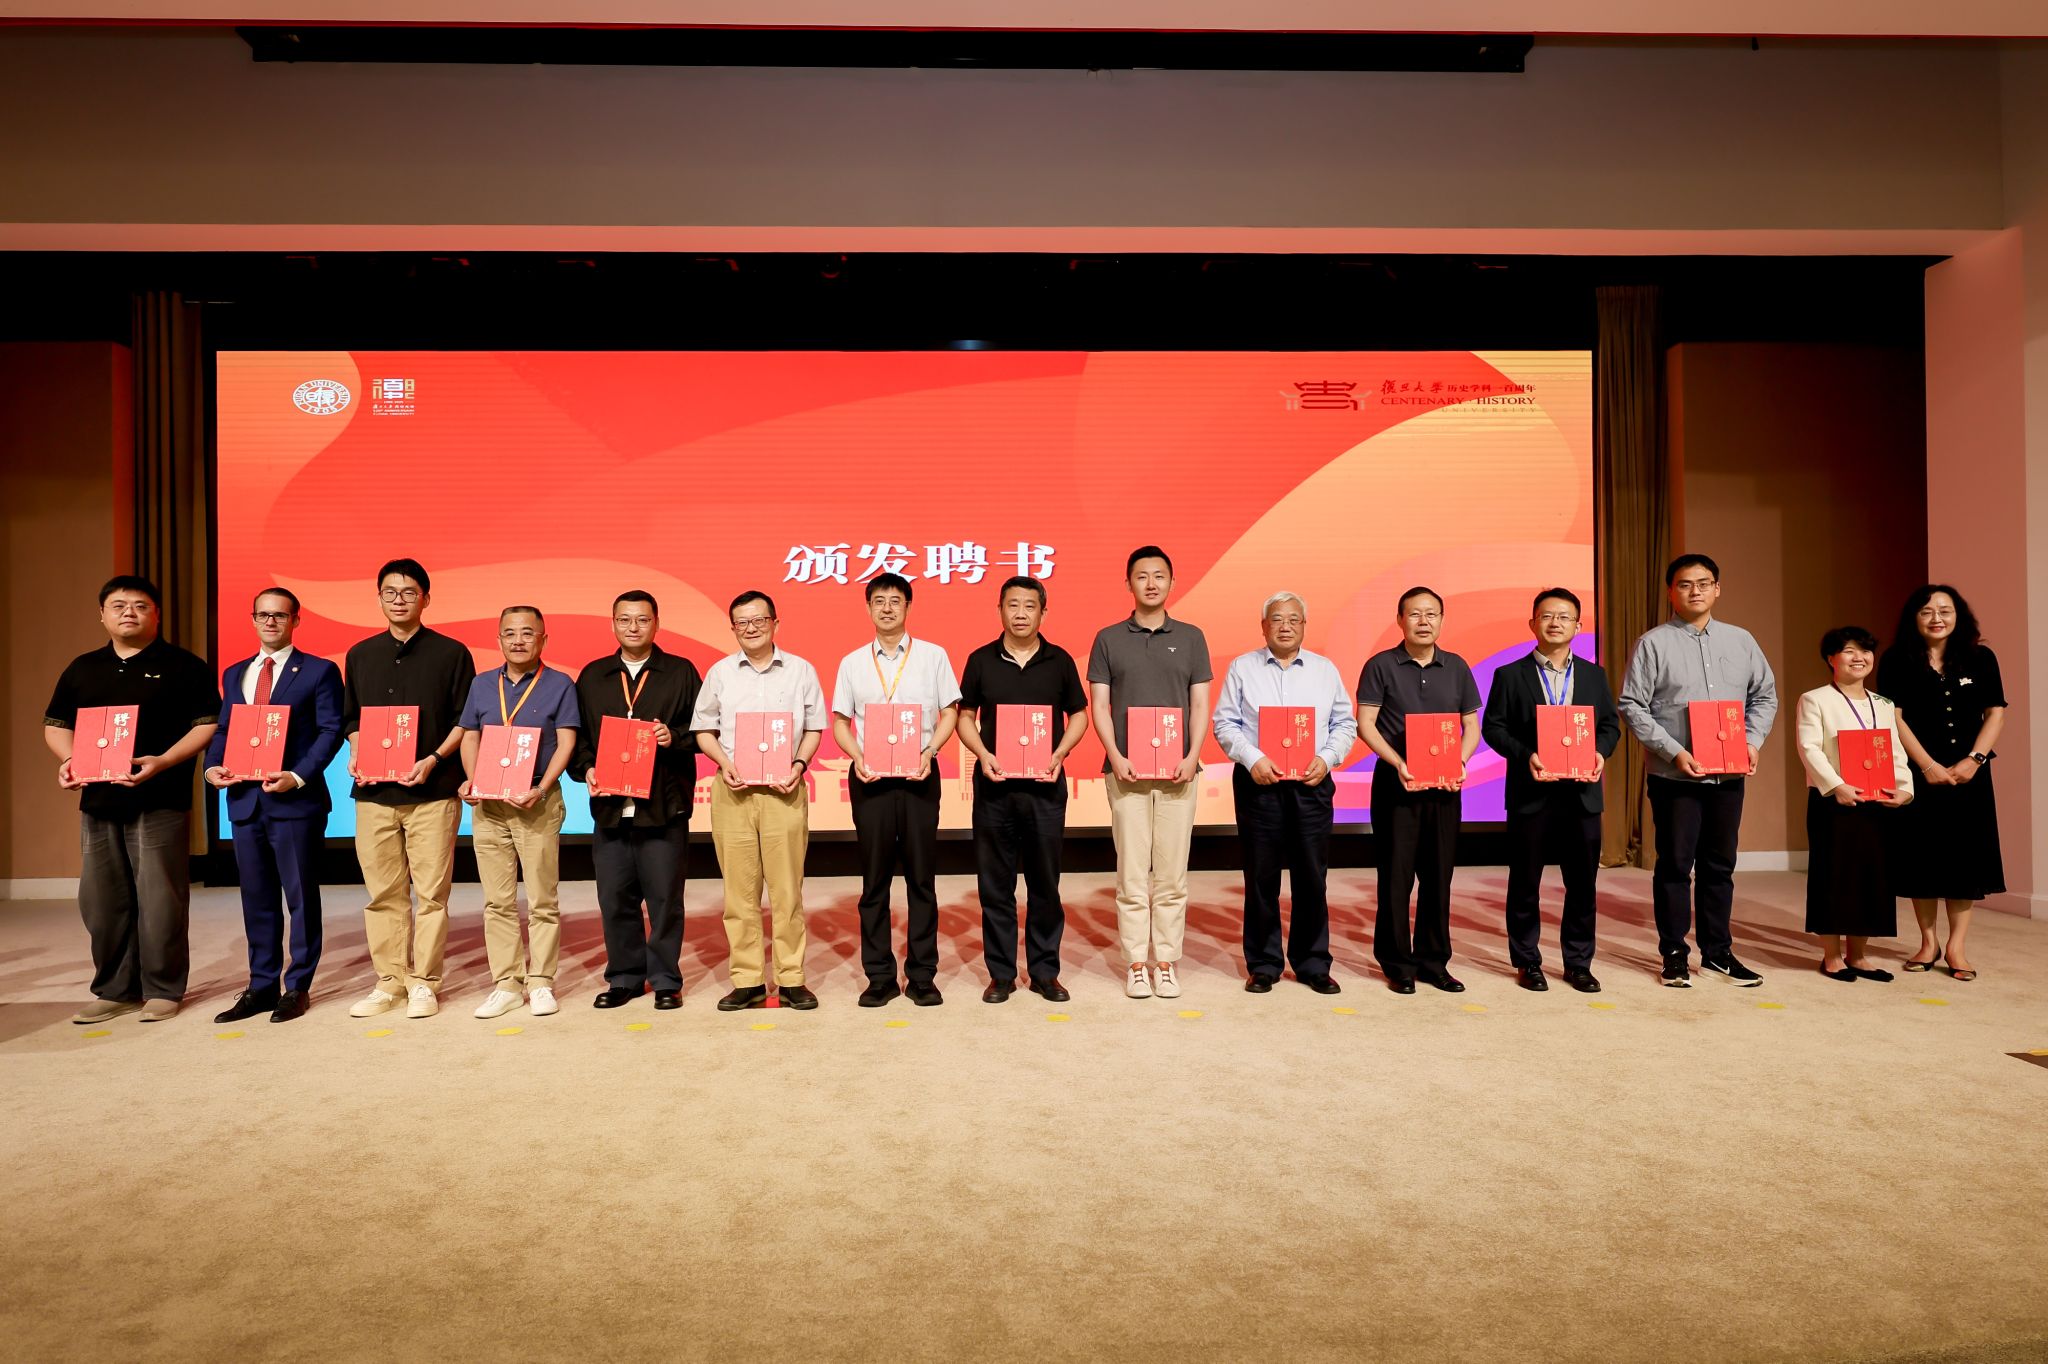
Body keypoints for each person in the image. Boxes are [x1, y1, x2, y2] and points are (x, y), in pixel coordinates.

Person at [44, 576, 220, 1024]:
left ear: (156, 615)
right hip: (98, 801)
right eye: (119, 605)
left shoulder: (185, 666)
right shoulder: (83, 668)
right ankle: (115, 989)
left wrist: (164, 761)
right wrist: (70, 761)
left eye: (140, 606)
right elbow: (56, 724)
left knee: (161, 900)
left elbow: (206, 724)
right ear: (102, 615)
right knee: (102, 902)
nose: (129, 612)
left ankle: (163, 988)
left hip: (160, 798)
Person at [1618, 553, 1779, 988]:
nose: (1695, 591)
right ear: (1671, 592)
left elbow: (1765, 696)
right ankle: (1673, 954)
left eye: (1704, 583)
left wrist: (1751, 742)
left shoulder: (1741, 641)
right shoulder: (1653, 643)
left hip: (1728, 775)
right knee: (1675, 865)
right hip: (1675, 776)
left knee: (1719, 866)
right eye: (1685, 584)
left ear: (1717, 589)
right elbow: (1632, 705)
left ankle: (1717, 954)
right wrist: (1674, 753)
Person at [201, 587, 345, 1023]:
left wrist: (297, 776)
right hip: (245, 802)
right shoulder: (235, 673)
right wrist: (212, 766)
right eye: (263, 615)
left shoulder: (319, 671)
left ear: (295, 620)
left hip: (295, 802)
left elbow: (330, 730)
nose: (270, 622)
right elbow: (225, 728)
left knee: (301, 897)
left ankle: (297, 986)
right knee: (256, 897)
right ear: (253, 620)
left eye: (280, 615)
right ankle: (261, 985)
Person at [341, 558, 476, 1019]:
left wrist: (434, 758)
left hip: (432, 790)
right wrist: (357, 750)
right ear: (379, 597)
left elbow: (465, 720)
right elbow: (351, 718)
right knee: (383, 894)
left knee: (432, 894)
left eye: (409, 592)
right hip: (374, 794)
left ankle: (424, 981)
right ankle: (389, 981)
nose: (399, 600)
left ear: (425, 598)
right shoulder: (360, 654)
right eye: (390, 592)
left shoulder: (451, 653)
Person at [1212, 591, 1357, 995]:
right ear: (1264, 626)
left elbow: (1345, 724)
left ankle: (1313, 963)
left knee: (1312, 876)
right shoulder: (1243, 667)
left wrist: (1327, 758)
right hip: (1260, 784)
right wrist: (1253, 758)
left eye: (1294, 619)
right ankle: (1264, 964)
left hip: (1312, 785)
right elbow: (1225, 723)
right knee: (1261, 877)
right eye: (1277, 619)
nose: (1286, 626)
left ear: (1304, 626)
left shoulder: (1325, 670)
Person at [1478, 588, 1622, 993]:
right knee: (1525, 883)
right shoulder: (1510, 674)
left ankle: (1578, 962)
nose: (1555, 623)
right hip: (1532, 793)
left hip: (1582, 795)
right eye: (1546, 616)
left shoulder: (1594, 675)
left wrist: (1600, 753)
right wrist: (1527, 756)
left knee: (1583, 885)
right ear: (1532, 623)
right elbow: (1494, 728)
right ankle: (1527, 961)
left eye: (1564, 617)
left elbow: (1610, 726)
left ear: (1578, 625)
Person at [955, 575, 1090, 1003]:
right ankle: (1001, 974)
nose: (1020, 614)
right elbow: (964, 716)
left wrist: (1060, 754)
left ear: (1043, 613)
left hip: (1045, 790)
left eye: (1029, 606)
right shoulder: (980, 660)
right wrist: (983, 754)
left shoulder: (1060, 660)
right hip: (995, 789)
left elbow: (1079, 715)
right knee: (995, 886)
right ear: (999, 610)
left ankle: (1045, 971)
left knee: (1045, 884)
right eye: (1012, 605)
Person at [692, 590, 828, 1011]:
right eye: (742, 622)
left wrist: (799, 765)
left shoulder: (801, 670)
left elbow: (814, 728)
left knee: (787, 891)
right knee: (739, 893)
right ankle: (748, 980)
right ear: (733, 628)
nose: (751, 628)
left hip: (784, 791)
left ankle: (791, 979)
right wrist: (724, 763)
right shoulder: (720, 673)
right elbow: (703, 729)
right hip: (733, 792)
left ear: (775, 623)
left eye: (759, 620)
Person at [1088, 546, 1214, 1000]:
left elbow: (1199, 703)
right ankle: (1136, 964)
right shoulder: (1108, 638)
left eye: (1159, 575)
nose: (1151, 583)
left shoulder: (1192, 637)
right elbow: (1099, 705)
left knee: (1173, 875)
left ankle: (1166, 962)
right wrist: (1115, 754)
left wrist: (1192, 754)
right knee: (1132, 874)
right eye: (1142, 576)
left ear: (1172, 582)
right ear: (1129, 584)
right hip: (1126, 774)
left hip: (1180, 772)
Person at [831, 572, 961, 1008]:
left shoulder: (933, 656)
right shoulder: (852, 662)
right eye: (879, 601)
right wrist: (857, 756)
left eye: (895, 600)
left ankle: (922, 975)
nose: (887, 608)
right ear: (868, 607)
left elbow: (949, 712)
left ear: (908, 606)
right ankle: (880, 976)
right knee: (875, 881)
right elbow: (841, 722)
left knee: (922, 879)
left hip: (920, 777)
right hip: (871, 781)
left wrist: (930, 751)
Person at [573, 590, 702, 1011]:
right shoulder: (593, 676)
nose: (633, 627)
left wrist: (673, 737)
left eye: (642, 620)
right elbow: (579, 738)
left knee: (665, 900)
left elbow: (704, 730)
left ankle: (665, 979)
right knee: (615, 899)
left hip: (662, 806)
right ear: (613, 624)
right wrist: (587, 769)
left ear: (656, 623)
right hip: (611, 809)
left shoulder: (681, 672)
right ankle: (625, 978)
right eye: (625, 619)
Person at [455, 606, 581, 1020]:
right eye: (509, 633)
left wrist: (541, 789)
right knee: (497, 901)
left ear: (543, 639)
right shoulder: (481, 684)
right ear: (499, 639)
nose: (518, 641)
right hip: (490, 806)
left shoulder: (559, 684)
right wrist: (473, 780)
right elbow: (470, 736)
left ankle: (541, 981)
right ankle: (507, 983)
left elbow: (566, 742)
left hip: (537, 801)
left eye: (528, 633)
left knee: (542, 898)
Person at [1355, 586, 1481, 994]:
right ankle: (1397, 964)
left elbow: (1471, 725)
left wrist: (1460, 762)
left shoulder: (1457, 666)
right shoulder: (1381, 665)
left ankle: (1433, 961)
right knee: (1396, 878)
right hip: (1396, 785)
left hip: (1444, 787)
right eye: (1415, 614)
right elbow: (1366, 724)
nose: (1424, 621)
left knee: (1438, 877)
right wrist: (1398, 763)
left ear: (1441, 620)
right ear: (1400, 620)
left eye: (1432, 614)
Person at [1878, 584, 2007, 982]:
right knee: (1923, 859)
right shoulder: (1897, 660)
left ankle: (1957, 947)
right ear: (1914, 618)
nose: (1936, 618)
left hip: (1970, 776)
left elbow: (1995, 713)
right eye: (1927, 611)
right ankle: (1928, 942)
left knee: (1965, 861)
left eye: (1944, 610)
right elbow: (1894, 717)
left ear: (1957, 616)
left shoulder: (1981, 658)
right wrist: (1928, 765)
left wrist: (1975, 760)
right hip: (1920, 775)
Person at [1795, 626, 1913, 981]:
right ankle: (1832, 957)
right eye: (1849, 651)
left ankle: (1858, 956)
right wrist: (1837, 786)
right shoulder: (1815, 699)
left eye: (1865, 651)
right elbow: (1809, 748)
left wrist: (1904, 788)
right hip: (1834, 801)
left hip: (1878, 800)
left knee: (1871, 877)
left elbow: (1895, 750)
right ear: (1831, 659)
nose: (1859, 657)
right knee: (1833, 876)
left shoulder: (1883, 704)